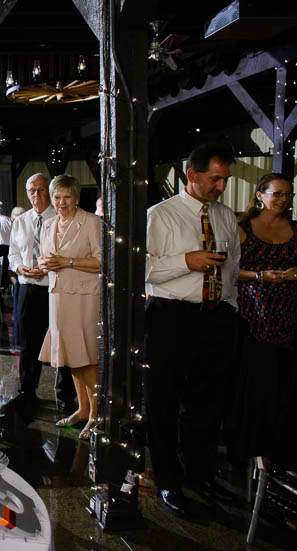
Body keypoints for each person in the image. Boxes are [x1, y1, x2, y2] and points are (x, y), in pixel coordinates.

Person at [144, 142, 240, 516]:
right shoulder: (160, 215)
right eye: (214, 179)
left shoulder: (226, 215)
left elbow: (232, 267)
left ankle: (200, 475)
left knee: (207, 403)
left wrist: (230, 306)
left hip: (216, 317)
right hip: (171, 315)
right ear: (192, 175)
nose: (220, 187)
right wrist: (187, 261)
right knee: (164, 402)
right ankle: (168, 481)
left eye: (225, 180)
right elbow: (143, 268)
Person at [234, 173, 297, 468]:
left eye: (288, 195)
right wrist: (260, 276)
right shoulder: (242, 228)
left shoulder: (294, 229)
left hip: (289, 311)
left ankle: (282, 452)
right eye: (277, 194)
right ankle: (251, 450)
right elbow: (228, 270)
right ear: (260, 195)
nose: (283, 200)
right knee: (259, 383)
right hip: (255, 312)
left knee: (285, 387)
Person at [37, 175, 101, 440]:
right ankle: (83, 409)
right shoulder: (48, 223)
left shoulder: (92, 222)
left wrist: (69, 261)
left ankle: (98, 415)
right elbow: (44, 259)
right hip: (58, 296)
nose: (61, 203)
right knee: (70, 356)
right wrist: (45, 265)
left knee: (86, 356)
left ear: (76, 198)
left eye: (66, 197)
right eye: (56, 197)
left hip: (84, 297)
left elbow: (102, 261)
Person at [4, 173, 59, 416]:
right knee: (28, 343)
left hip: (55, 289)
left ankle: (67, 396)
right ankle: (27, 392)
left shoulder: (60, 219)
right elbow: (13, 253)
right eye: (31, 190)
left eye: (41, 190)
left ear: (49, 191)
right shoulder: (22, 221)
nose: (36, 195)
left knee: (61, 342)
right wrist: (20, 267)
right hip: (27, 288)